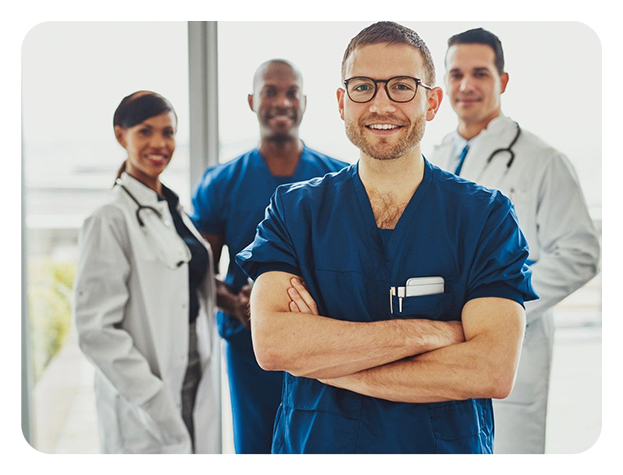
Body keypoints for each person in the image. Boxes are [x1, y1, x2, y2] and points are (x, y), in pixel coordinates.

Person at [235, 22, 538, 463]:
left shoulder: (484, 217)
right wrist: (435, 334)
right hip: (320, 453)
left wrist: (327, 363)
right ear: (341, 102)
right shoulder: (294, 211)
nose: (381, 103)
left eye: (401, 86)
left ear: (432, 102)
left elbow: (491, 368)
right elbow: (275, 346)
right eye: (362, 87)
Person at [429, 28, 600, 459]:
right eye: (456, 74)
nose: (466, 86)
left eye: (480, 74)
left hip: (512, 347)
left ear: (503, 81)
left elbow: (581, 253)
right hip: (440, 342)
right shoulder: (434, 156)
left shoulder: (543, 161)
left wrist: (503, 306)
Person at [190, 59, 347, 463]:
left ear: (306, 102)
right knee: (255, 451)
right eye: (270, 92)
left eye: (291, 92)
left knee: (317, 449)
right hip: (248, 349)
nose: (282, 101)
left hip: (320, 345)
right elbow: (200, 272)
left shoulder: (339, 180)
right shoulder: (222, 183)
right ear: (251, 101)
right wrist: (236, 304)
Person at [74, 91, 220, 463]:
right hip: (147, 395)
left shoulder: (170, 209)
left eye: (168, 133)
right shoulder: (110, 218)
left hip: (194, 376)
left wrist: (233, 302)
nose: (159, 143)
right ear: (121, 135)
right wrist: (153, 398)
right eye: (145, 132)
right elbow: (95, 332)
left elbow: (183, 286)